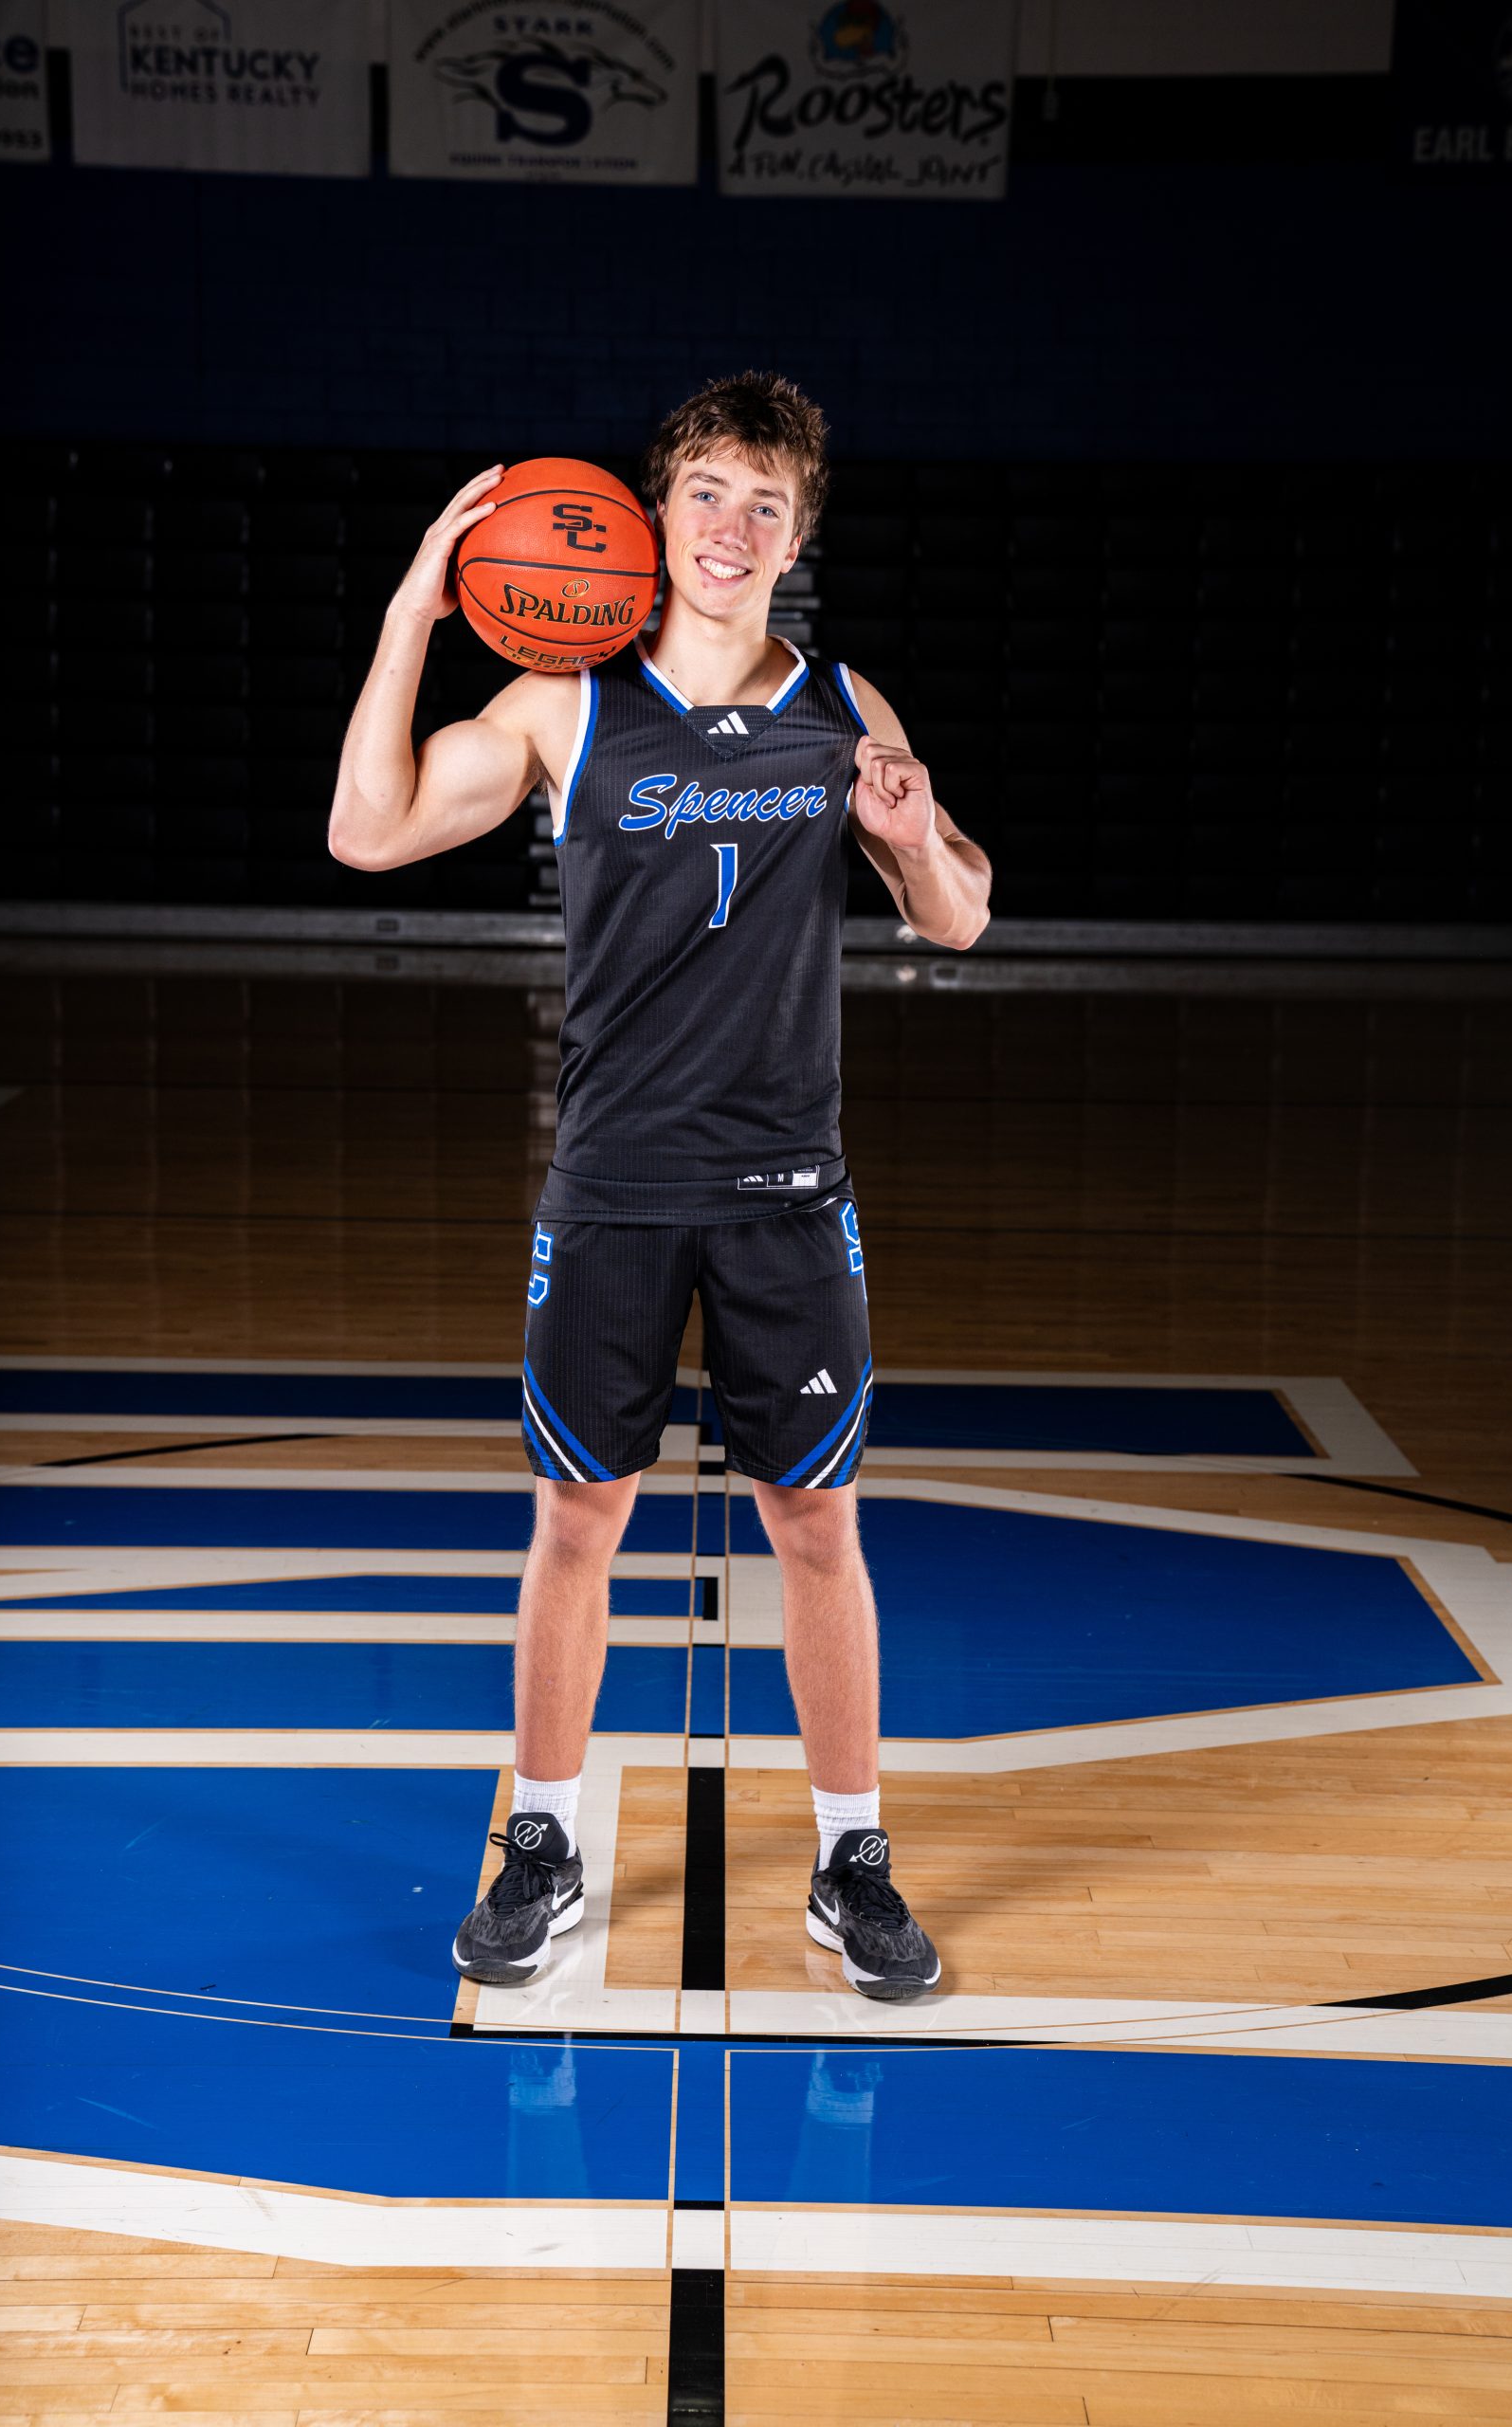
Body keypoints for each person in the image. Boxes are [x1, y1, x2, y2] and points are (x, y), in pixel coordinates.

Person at [329, 373, 992, 2001]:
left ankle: (850, 1860)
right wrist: (413, 612)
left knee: (816, 1524)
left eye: (766, 504)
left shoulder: (843, 704)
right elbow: (369, 831)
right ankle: (540, 1841)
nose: (731, 527)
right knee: (576, 1521)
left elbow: (958, 915)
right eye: (707, 491)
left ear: (797, 538)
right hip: (614, 1185)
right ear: (655, 511)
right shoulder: (566, 703)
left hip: (788, 1193)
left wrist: (910, 837)